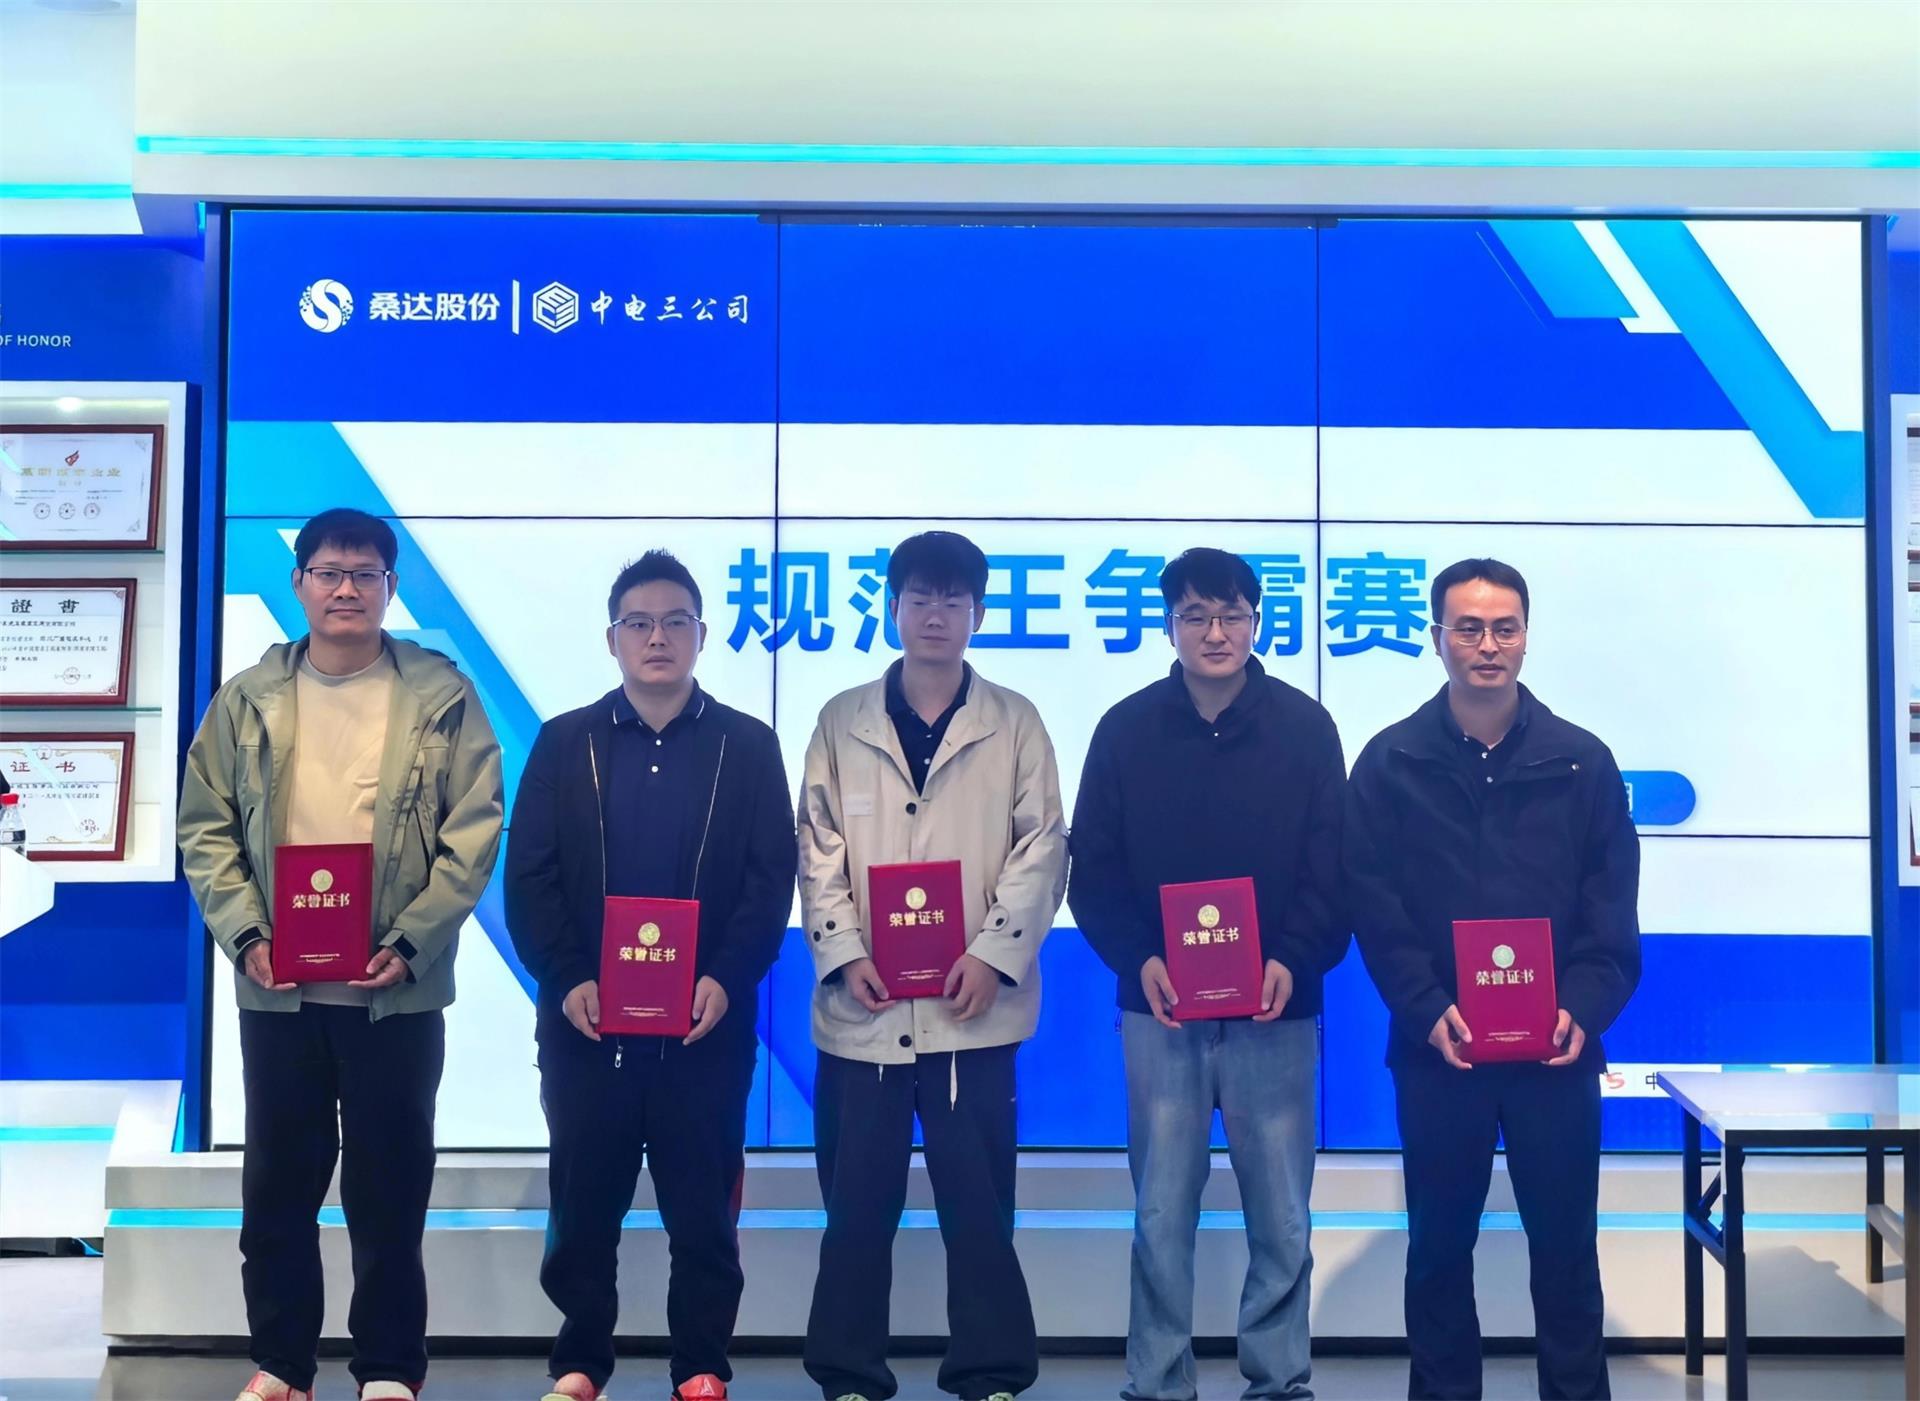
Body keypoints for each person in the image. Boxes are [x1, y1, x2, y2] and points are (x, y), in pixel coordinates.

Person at [178, 507, 504, 1401]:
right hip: (279, 990)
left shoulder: (442, 695)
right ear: (300, 585)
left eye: (365, 574)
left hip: (395, 993)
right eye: (329, 572)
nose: (347, 588)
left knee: (389, 1192)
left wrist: (412, 940)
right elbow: (205, 827)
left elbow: (474, 831)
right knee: (277, 1192)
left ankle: (388, 1367)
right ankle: (282, 1364)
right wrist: (247, 935)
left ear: (391, 587)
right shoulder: (247, 698)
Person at [1343, 557, 1641, 1401]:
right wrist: (1424, 1005)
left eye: (1503, 627)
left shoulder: (1581, 761)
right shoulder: (1391, 760)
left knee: (1566, 1252)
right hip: (1441, 1050)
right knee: (1438, 1251)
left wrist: (1583, 1006)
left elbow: (1611, 904)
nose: (1487, 644)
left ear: (1525, 637)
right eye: (1468, 628)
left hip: (1556, 1054)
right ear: (1436, 637)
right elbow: (1373, 903)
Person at [505, 550, 796, 1401]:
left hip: (704, 1029)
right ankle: (579, 1362)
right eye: (639, 622)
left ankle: (700, 1363)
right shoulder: (565, 742)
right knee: (582, 1205)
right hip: (587, 1026)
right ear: (613, 639)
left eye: (675, 622)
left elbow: (769, 878)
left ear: (703, 634)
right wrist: (566, 976)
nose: (657, 637)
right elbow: (530, 876)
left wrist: (728, 977)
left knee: (703, 1212)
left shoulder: (748, 745)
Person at [796, 530, 1069, 1401]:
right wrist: (844, 951)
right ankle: (848, 1374)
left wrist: (994, 954)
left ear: (978, 613)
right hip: (865, 1010)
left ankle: (989, 1373)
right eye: (920, 597)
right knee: (855, 1213)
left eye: (954, 599)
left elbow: (1042, 846)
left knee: (980, 1210)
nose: (936, 614)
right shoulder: (842, 719)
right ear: (893, 607)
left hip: (972, 1011)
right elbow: (817, 848)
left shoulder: (1015, 720)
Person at [1068, 547, 1345, 1401]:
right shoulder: (1125, 729)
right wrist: (1140, 959)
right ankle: (1156, 1382)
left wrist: (1291, 959)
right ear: (1169, 626)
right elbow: (1093, 871)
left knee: (1283, 1215)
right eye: (1194, 615)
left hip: (1276, 1011)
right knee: (1160, 1212)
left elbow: (1335, 868)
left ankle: (1280, 1380)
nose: (1215, 632)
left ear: (1258, 622)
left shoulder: (1306, 728)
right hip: (1161, 1012)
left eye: (1231, 614)